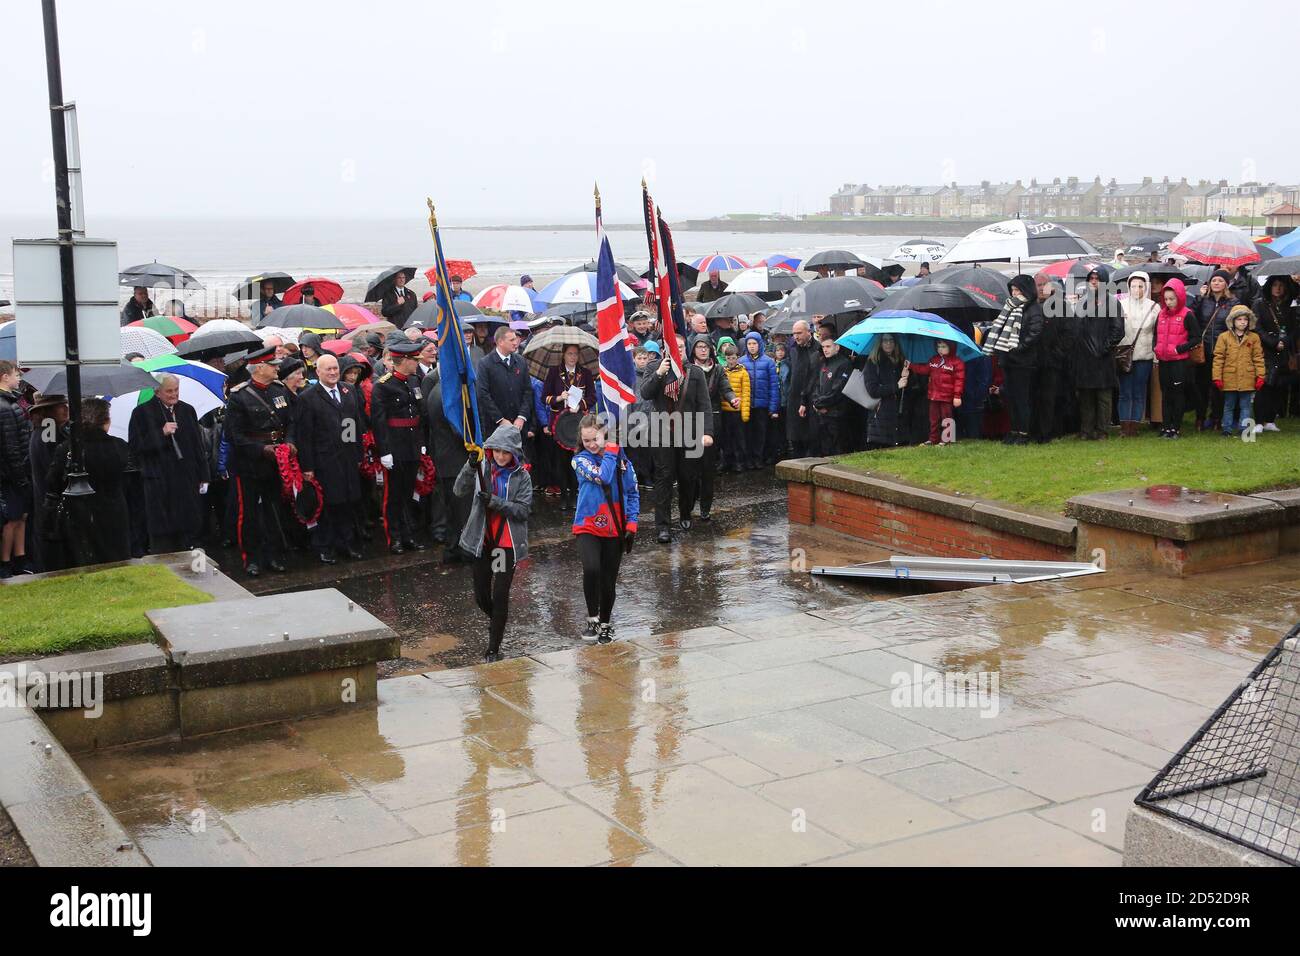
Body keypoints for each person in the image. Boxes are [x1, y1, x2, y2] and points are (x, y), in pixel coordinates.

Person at [454, 423, 533, 662]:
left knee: (500, 595)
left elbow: (522, 510)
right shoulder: (482, 466)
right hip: (482, 539)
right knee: (481, 596)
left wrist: (496, 502)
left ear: (514, 453)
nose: (500, 456)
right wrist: (469, 466)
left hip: (505, 544)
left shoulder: (522, 476)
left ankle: (493, 647)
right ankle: (499, 619)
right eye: (497, 450)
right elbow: (458, 490)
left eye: (505, 452)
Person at [225, 345, 296, 575]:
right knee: (249, 513)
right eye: (273, 365)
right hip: (250, 463)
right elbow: (234, 435)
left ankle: (274, 555)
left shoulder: (279, 390)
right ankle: (252, 559)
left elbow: (292, 421)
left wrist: (291, 443)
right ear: (260, 368)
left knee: (273, 510)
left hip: (277, 460)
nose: (277, 369)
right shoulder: (239, 396)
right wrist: (261, 449)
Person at [571, 414, 639, 643]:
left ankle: (607, 623)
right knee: (592, 570)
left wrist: (631, 523)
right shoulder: (579, 460)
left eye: (595, 439)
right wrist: (610, 451)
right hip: (587, 525)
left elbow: (632, 492)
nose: (591, 445)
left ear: (604, 435)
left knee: (609, 580)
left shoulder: (622, 460)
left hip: (615, 527)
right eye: (586, 440)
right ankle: (592, 619)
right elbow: (603, 476)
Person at [640, 334, 713, 544]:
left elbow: (704, 404)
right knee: (663, 478)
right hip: (661, 433)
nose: (678, 349)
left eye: (681, 346)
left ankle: (685, 513)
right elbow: (645, 393)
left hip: (689, 432)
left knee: (688, 477)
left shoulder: (695, 372)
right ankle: (663, 526)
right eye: (674, 346)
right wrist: (659, 373)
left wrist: (707, 432)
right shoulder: (655, 366)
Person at [294, 354, 366, 564]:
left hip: (347, 458)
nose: (333, 373)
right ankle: (325, 547)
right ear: (318, 372)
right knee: (328, 506)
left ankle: (347, 543)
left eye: (335, 368)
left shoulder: (348, 390)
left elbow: (353, 423)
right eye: (328, 369)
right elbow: (304, 436)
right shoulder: (308, 397)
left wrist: (357, 453)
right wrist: (308, 466)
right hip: (324, 461)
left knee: (348, 502)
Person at [128, 374, 208, 554]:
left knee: (188, 527)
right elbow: (135, 447)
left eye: (176, 390)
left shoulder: (187, 410)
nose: (174, 395)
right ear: (157, 392)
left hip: (185, 478)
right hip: (159, 481)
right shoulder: (141, 412)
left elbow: (197, 445)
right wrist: (160, 433)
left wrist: (203, 475)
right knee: (163, 533)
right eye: (169, 391)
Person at [45, 399, 131, 566]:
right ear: (106, 421)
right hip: (114, 511)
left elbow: (52, 481)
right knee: (115, 561)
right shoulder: (119, 446)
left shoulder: (68, 449)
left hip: (80, 513)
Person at [371, 339, 428, 554]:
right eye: (414, 360)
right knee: (393, 496)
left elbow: (419, 414)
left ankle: (408, 535)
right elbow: (379, 421)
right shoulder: (383, 386)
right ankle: (393, 537)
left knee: (407, 493)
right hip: (395, 446)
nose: (416, 363)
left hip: (411, 445)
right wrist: (385, 451)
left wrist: (421, 443)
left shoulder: (414, 381)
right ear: (402, 360)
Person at [981, 275, 1041, 446]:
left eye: (1018, 290)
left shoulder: (1032, 308)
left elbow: (1035, 332)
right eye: (1013, 290)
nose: (1014, 293)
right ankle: (1014, 430)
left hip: (1023, 360)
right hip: (1008, 359)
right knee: (1011, 397)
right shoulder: (1009, 307)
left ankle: (1024, 432)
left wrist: (1018, 347)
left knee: (1022, 398)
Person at [683, 333, 734, 523]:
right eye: (699, 347)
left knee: (707, 469)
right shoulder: (687, 369)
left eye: (706, 347)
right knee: (689, 469)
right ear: (693, 349)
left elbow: (726, 388)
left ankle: (705, 507)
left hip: (712, 421)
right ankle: (687, 507)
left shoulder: (718, 369)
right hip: (690, 422)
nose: (703, 350)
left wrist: (732, 398)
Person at [1070, 265, 1124, 440]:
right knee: (1085, 395)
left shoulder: (1112, 302)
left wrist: (1103, 348)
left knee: (1103, 396)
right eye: (1091, 279)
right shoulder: (1082, 301)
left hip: (1103, 357)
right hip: (1083, 357)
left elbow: (1118, 330)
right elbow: (1076, 329)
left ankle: (1102, 431)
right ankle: (1086, 430)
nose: (1094, 282)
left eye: (1097, 279)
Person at [542, 343, 596, 499]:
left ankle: (575, 494)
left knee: (577, 459)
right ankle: (564, 496)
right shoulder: (554, 372)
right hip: (559, 423)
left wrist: (580, 405)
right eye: (570, 354)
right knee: (560, 462)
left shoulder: (585, 373)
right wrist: (559, 397)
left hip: (577, 422)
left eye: (575, 354)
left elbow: (592, 397)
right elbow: (544, 397)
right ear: (563, 355)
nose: (573, 357)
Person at [1193, 270, 1239, 431]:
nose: (1216, 283)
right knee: (1202, 386)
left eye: (1220, 280)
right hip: (1204, 350)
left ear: (1226, 283)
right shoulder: (1204, 300)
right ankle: (1200, 417)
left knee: (1219, 387)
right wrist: (1199, 297)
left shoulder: (1233, 303)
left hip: (1222, 350)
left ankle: (1217, 418)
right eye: (1214, 280)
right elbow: (1193, 317)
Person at [1154, 279, 1199, 439]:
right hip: (1164, 360)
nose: (1169, 302)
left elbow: (1196, 338)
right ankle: (1166, 426)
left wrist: (1179, 349)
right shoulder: (1161, 314)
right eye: (1166, 299)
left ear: (1179, 297)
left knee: (1177, 394)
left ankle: (1176, 427)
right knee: (1165, 394)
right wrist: (1156, 348)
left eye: (1172, 299)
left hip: (1179, 361)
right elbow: (1156, 334)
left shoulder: (1187, 314)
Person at [1252, 275, 1297, 433]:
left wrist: (1285, 342)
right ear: (1269, 286)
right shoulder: (1259, 304)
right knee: (1264, 386)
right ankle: (1258, 421)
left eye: (1281, 285)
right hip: (1266, 351)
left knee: (1279, 386)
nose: (1278, 288)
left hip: (1283, 351)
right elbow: (1256, 327)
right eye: (1275, 285)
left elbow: (1294, 328)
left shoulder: (1289, 306)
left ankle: (1270, 420)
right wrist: (1272, 342)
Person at [1117, 271, 1160, 436]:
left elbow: (1157, 333)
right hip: (1125, 355)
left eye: (1140, 286)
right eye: (1133, 286)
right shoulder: (1121, 305)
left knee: (1139, 392)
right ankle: (1124, 427)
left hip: (1145, 355)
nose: (1137, 289)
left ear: (1146, 287)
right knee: (1125, 392)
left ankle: (1134, 427)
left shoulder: (1154, 307)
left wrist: (1156, 357)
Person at [1213, 305, 1266, 438]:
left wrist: (1260, 376)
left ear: (1249, 321)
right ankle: (1226, 429)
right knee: (1228, 405)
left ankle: (1244, 430)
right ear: (1232, 321)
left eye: (1245, 319)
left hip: (1248, 377)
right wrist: (1217, 377)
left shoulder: (1254, 338)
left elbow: (1258, 358)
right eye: (1239, 319)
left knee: (1246, 406)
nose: (1242, 322)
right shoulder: (1223, 337)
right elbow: (1218, 358)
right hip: (1229, 377)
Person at [0, 361, 32, 577]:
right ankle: (6, 564)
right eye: (15, 374)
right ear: (4, 377)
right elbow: (10, 446)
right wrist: (20, 475)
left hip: (17, 469)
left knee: (21, 516)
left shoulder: (11, 403)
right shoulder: (5, 406)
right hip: (11, 473)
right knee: (12, 519)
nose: (19, 378)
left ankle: (20, 560)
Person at [476, 326, 533, 439]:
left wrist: (521, 417)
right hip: (495, 428)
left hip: (519, 427)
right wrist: (500, 419)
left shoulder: (520, 361)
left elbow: (528, 391)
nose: (516, 342)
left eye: (515, 339)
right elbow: (482, 394)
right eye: (511, 340)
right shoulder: (485, 364)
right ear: (500, 342)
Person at [905, 340, 965, 445]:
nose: (940, 349)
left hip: (947, 396)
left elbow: (959, 380)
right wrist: (911, 366)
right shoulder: (934, 360)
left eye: (943, 346)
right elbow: (924, 369)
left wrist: (957, 396)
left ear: (951, 346)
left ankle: (947, 439)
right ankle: (933, 439)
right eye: (938, 347)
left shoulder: (957, 362)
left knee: (947, 418)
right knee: (933, 418)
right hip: (933, 395)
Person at [739, 331, 777, 469]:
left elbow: (773, 386)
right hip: (747, 404)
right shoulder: (741, 361)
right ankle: (748, 459)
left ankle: (758, 458)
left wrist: (773, 408)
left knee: (761, 433)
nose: (752, 346)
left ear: (759, 344)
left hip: (762, 405)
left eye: (754, 343)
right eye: (749, 344)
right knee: (747, 433)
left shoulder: (768, 362)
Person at [863, 334, 905, 449]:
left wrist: (907, 376)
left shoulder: (900, 362)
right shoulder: (873, 362)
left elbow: (906, 390)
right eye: (885, 340)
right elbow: (873, 390)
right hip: (880, 415)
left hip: (898, 416)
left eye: (891, 340)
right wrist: (896, 386)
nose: (888, 343)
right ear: (880, 343)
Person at [811, 338, 853, 454]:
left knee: (838, 447)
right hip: (822, 414)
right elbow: (817, 386)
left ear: (837, 347)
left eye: (828, 346)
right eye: (823, 347)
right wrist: (816, 403)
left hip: (836, 413)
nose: (825, 349)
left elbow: (838, 389)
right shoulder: (824, 363)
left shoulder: (844, 364)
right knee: (825, 447)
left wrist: (821, 404)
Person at [785, 320, 820, 456]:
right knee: (795, 436)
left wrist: (805, 399)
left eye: (799, 333)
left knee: (811, 436)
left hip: (810, 397)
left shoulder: (817, 349)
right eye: (794, 333)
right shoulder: (793, 349)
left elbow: (814, 376)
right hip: (793, 396)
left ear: (808, 332)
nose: (796, 336)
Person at [719, 343, 751, 472]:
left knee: (739, 439)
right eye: (728, 358)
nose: (731, 361)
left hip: (737, 412)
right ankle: (727, 461)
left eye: (733, 358)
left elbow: (746, 393)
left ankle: (740, 462)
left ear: (737, 358)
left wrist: (745, 413)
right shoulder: (722, 371)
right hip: (725, 410)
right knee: (726, 438)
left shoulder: (743, 373)